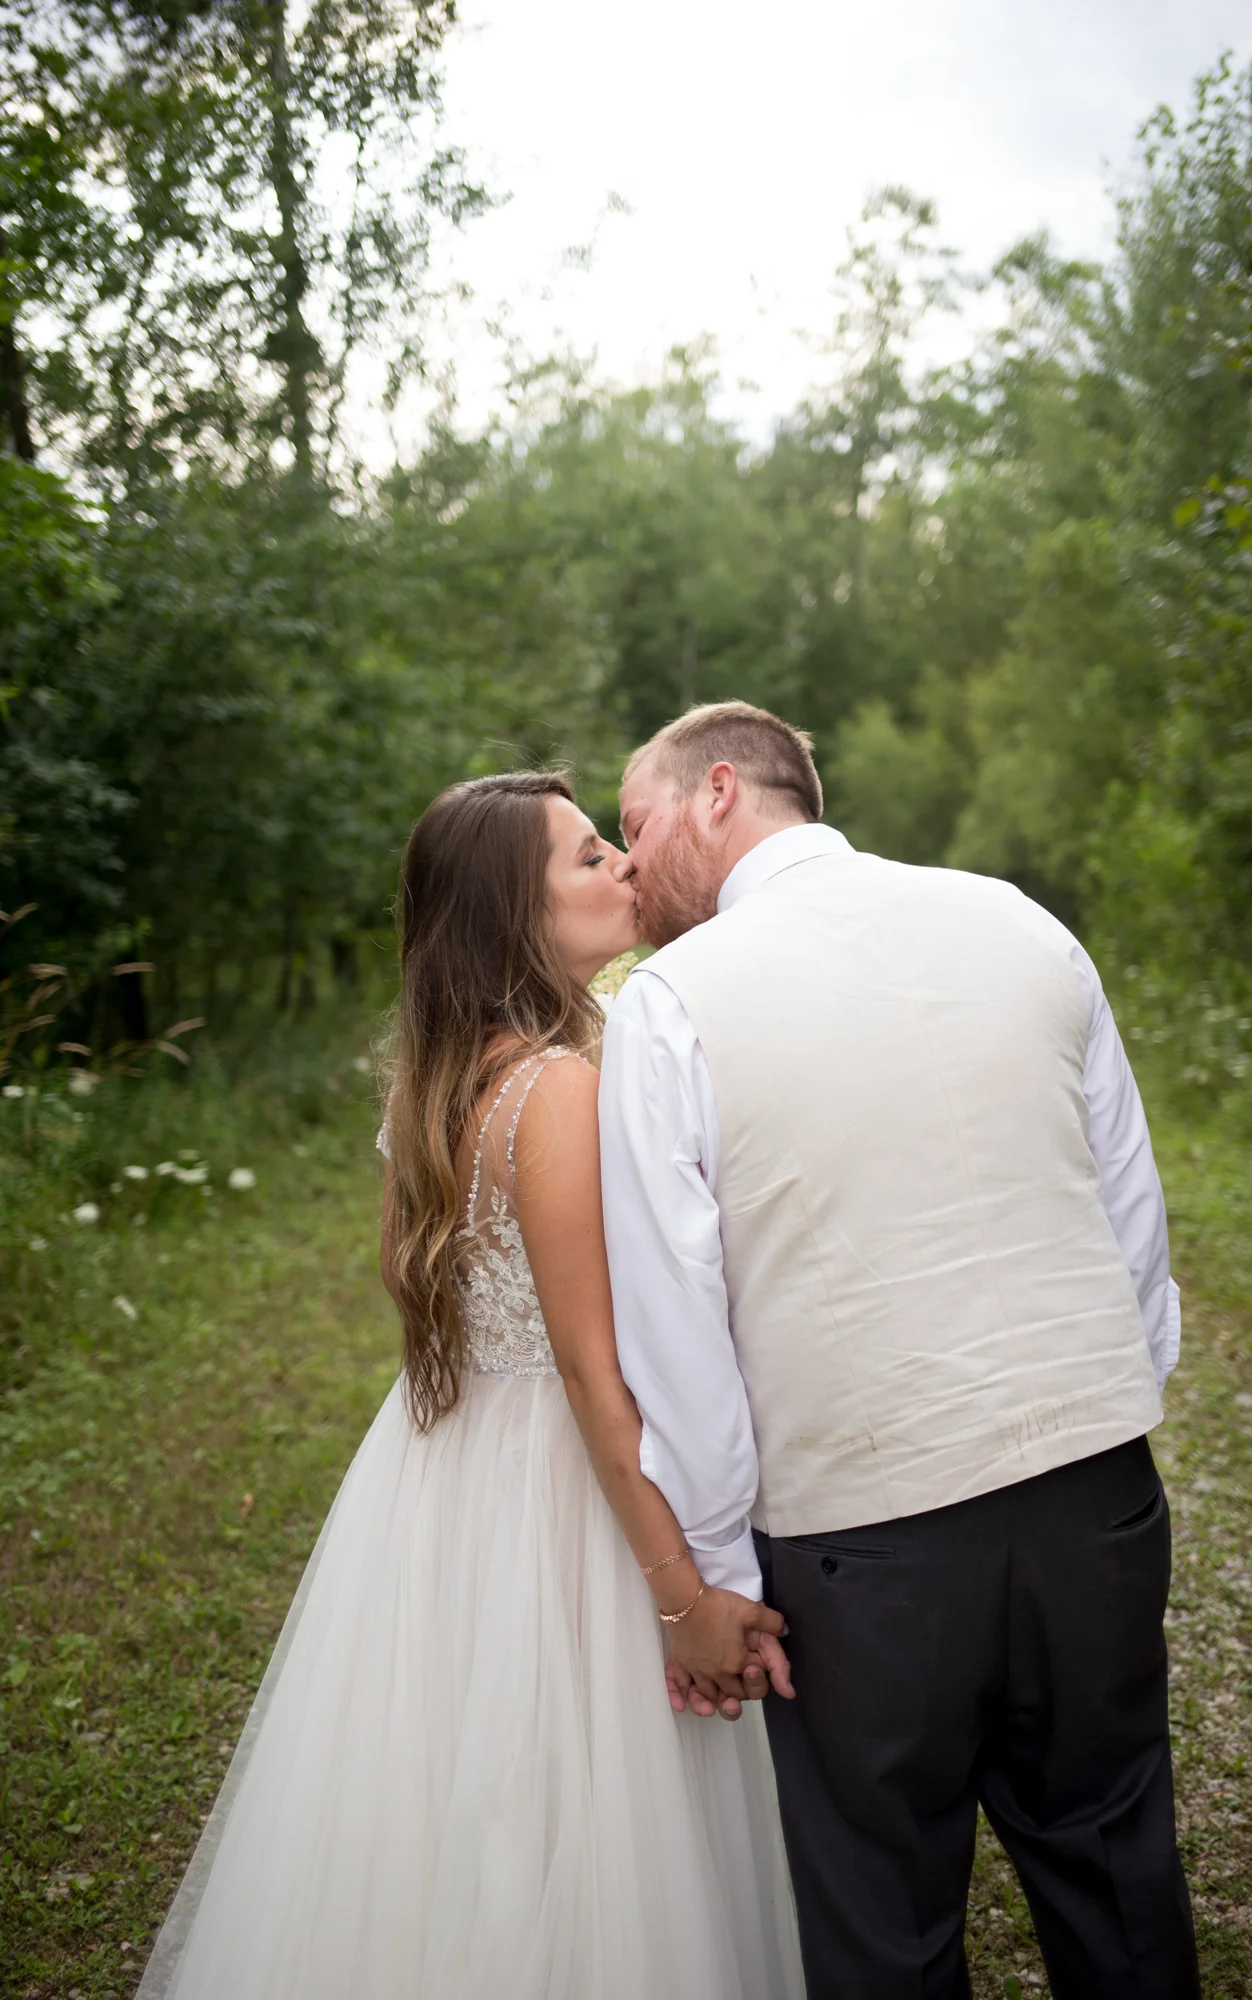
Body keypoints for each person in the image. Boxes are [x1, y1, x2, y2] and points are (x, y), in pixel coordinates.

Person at [137, 771, 803, 2000]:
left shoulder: (437, 1081)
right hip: (561, 1484)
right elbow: (597, 1375)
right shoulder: (552, 1091)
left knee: (459, 1779)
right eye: (588, 855)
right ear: (516, 915)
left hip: (444, 1466)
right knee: (561, 1791)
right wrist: (678, 1598)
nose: (621, 864)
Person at [599, 701, 1202, 2000]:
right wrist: (1106, 1412)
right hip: (1094, 1489)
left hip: (861, 1552)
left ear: (717, 793)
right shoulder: (1017, 919)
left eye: (634, 826)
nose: (627, 864)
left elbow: (675, 1327)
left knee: (884, 1921)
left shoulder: (672, 1003)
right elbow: (1126, 1212)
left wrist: (712, 1567)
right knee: (1114, 1866)